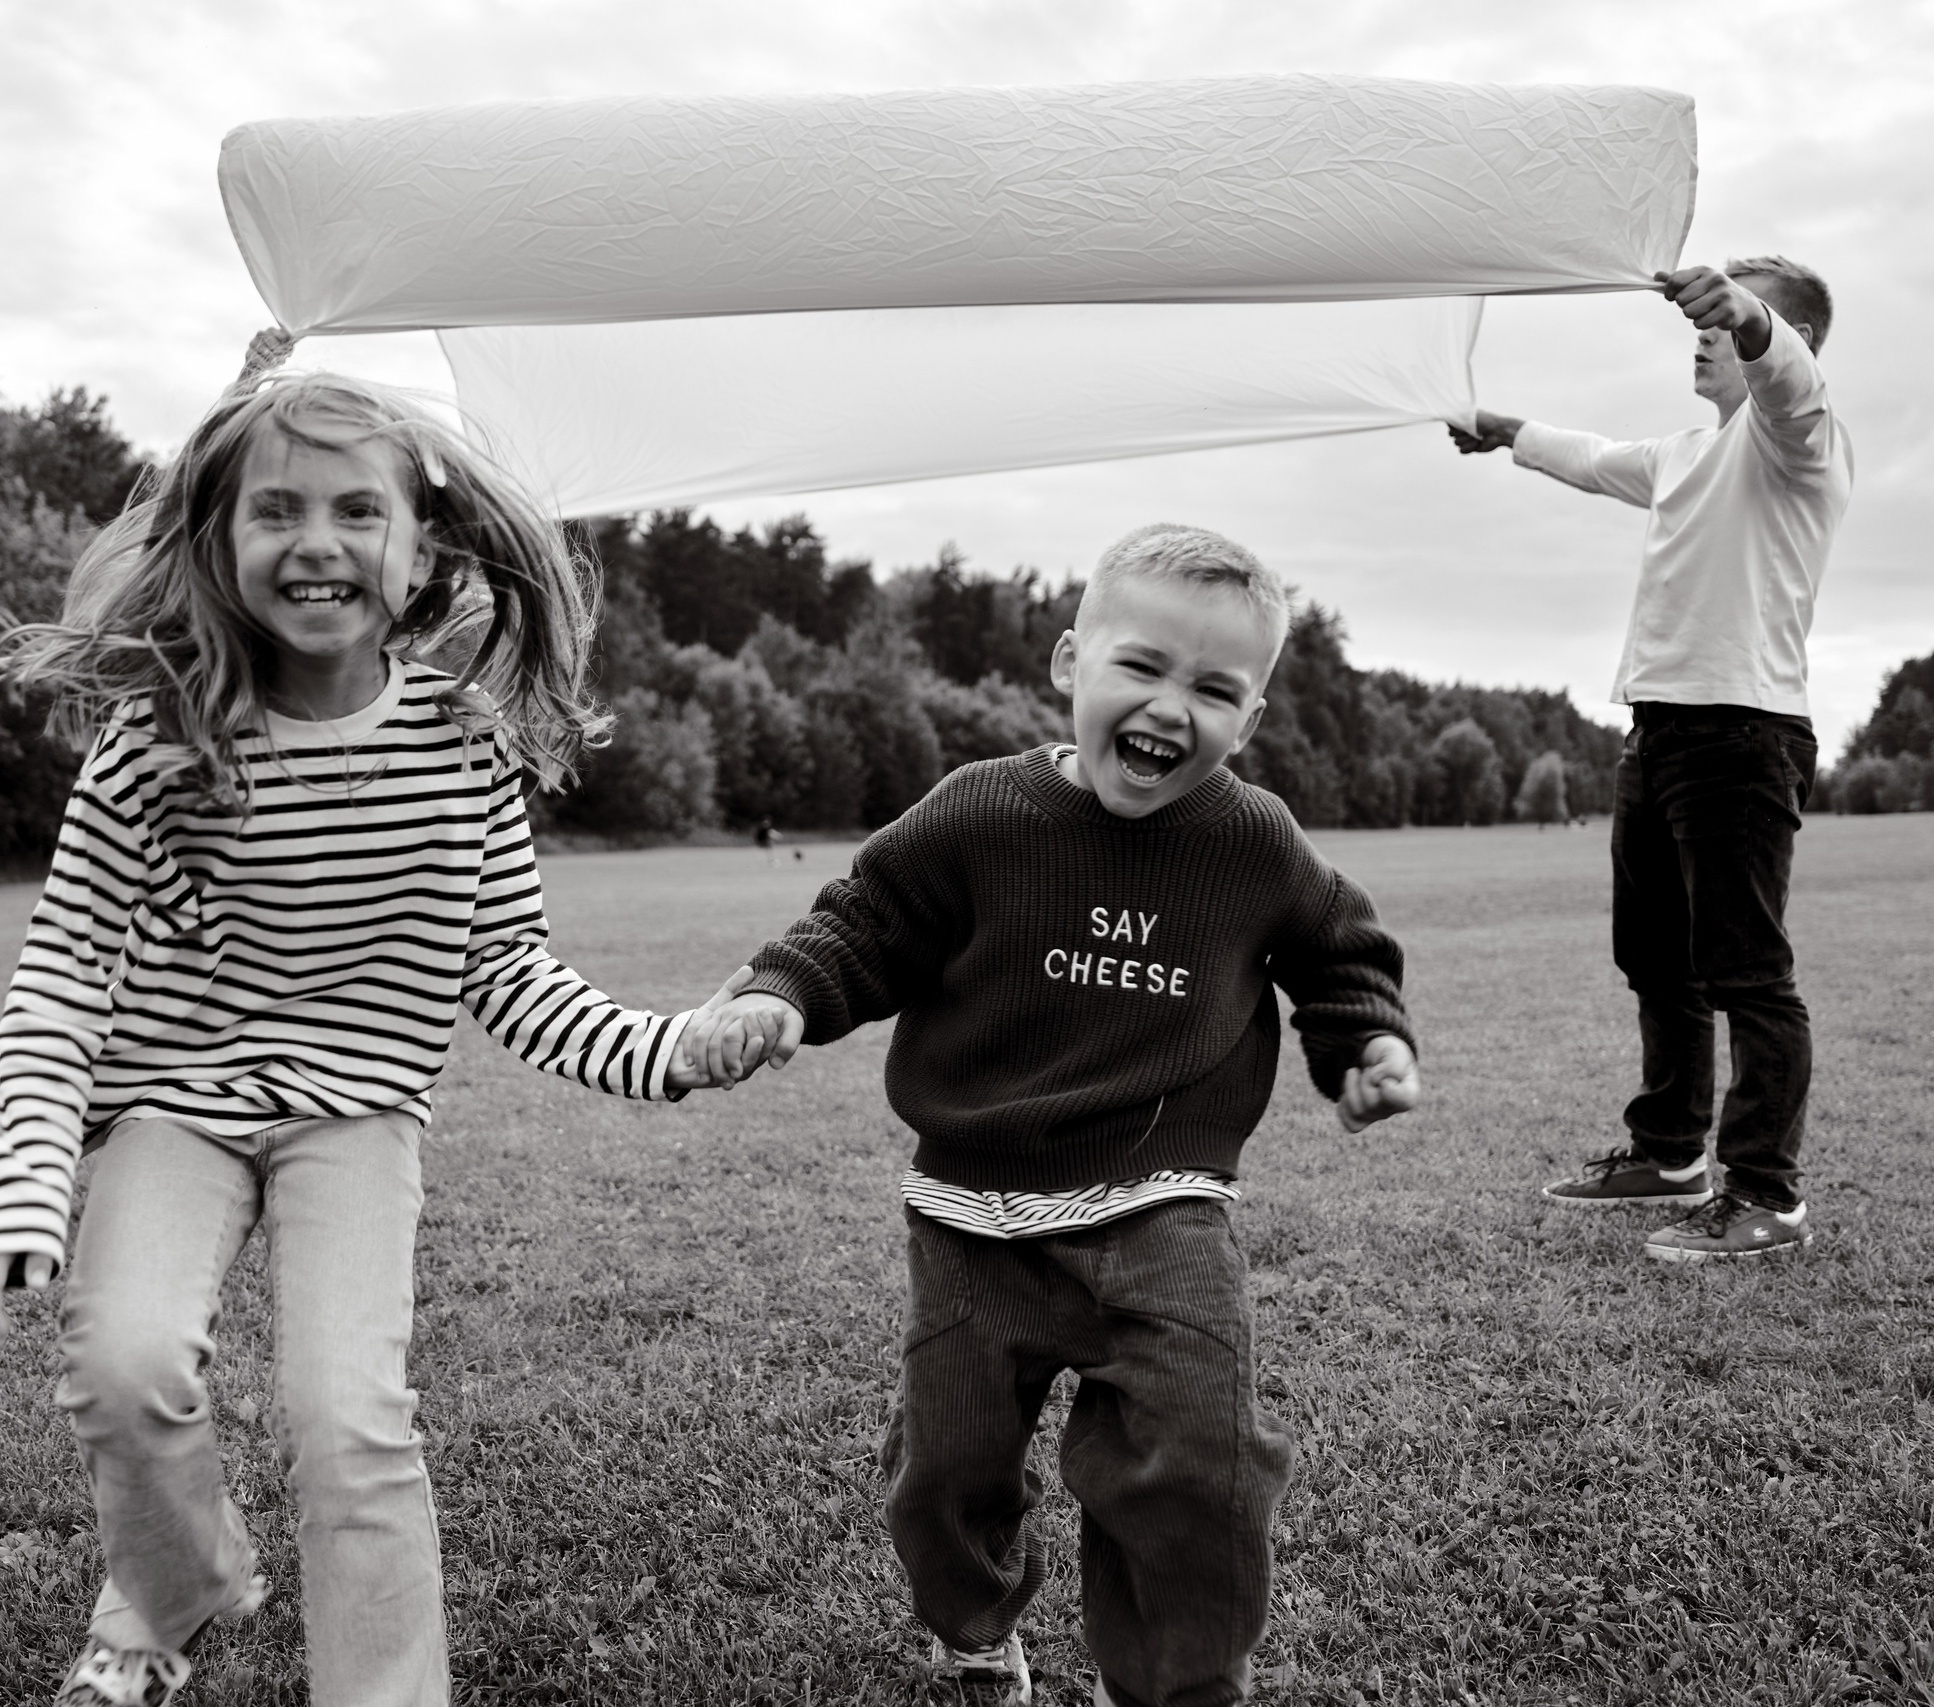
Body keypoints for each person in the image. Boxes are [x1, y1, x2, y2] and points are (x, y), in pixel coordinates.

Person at [0, 357, 736, 1707]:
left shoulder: (460, 741)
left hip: (357, 1114)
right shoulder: (155, 738)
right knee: (125, 1367)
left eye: (355, 510)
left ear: (418, 542)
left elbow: (506, 965)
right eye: (276, 510)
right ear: (219, 538)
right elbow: (64, 971)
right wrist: (22, 1175)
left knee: (349, 1418)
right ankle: (180, 1587)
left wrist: (661, 1048)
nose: (316, 542)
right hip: (173, 1104)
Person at [694, 525, 1421, 1707]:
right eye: (1141, 668)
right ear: (1069, 662)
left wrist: (1368, 1044)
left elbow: (1339, 951)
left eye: (1214, 690)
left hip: (1164, 1206)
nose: (1169, 707)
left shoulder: (1250, 840)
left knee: (1202, 1460)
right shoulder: (982, 813)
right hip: (972, 1211)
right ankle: (975, 1634)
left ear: (1255, 716)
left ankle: (1174, 1681)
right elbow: (863, 921)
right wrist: (781, 995)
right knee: (948, 1465)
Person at [1451, 258, 1852, 1263]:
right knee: (1657, 962)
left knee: (1747, 973)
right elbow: (1591, 458)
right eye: (1707, 320)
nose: (1699, 334)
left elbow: (1789, 379)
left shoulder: (1800, 442)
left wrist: (1751, 315)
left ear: (1778, 331)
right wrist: (1508, 433)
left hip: (1743, 735)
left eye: (1719, 323)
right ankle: (1667, 1152)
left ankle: (1764, 1193)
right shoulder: (1684, 453)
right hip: (1660, 734)